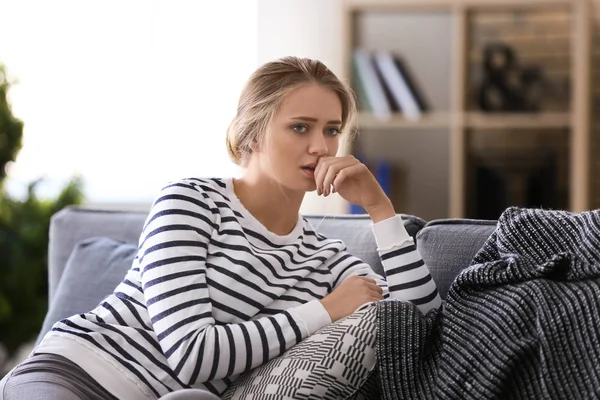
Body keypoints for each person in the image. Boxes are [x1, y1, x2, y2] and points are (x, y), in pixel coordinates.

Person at [0, 56, 441, 400]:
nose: (320, 146)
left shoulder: (325, 258)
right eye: (300, 127)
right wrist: (325, 309)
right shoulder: (190, 201)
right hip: (76, 374)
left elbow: (419, 323)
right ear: (251, 134)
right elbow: (193, 354)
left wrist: (379, 207)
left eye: (332, 130)